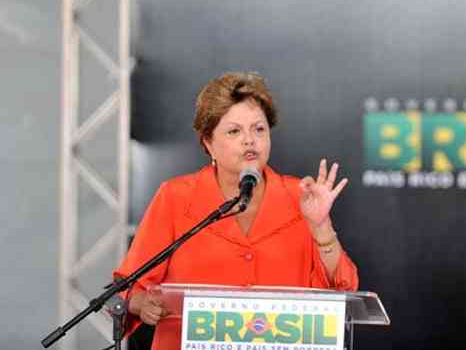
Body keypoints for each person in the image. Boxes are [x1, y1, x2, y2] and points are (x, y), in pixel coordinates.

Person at [114, 72, 358, 350]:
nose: (249, 140)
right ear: (208, 142)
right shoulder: (176, 197)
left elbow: (341, 293)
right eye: (234, 131)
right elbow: (128, 288)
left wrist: (321, 227)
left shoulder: (301, 197)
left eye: (259, 129)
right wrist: (141, 302)